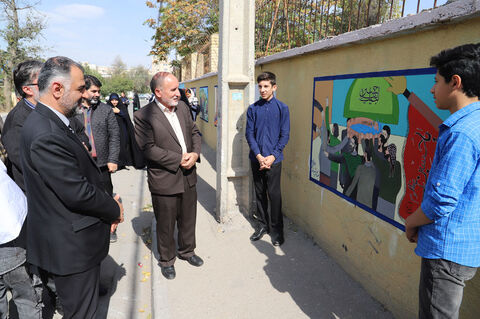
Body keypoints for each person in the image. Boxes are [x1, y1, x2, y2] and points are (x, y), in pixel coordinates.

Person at [20, 56, 124, 319]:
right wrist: (113, 208)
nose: (84, 96)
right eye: (79, 89)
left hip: (71, 242)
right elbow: (76, 191)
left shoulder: (50, 121)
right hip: (71, 248)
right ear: (57, 89)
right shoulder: (45, 132)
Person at [404, 43, 480, 319]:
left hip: (447, 251)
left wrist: (412, 221)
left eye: (437, 82)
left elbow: (442, 199)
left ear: (455, 82)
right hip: (465, 246)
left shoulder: (462, 133)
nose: (433, 89)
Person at [134, 72, 203, 280]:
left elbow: (194, 132)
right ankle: (167, 260)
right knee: (165, 223)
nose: (178, 93)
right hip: (164, 179)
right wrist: (179, 158)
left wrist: (195, 153)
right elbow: (148, 149)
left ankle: (187, 251)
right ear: (158, 92)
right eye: (173, 89)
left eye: (177, 88)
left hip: (188, 173)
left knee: (188, 218)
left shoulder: (182, 107)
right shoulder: (143, 116)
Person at [0, 60, 43, 319]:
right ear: (28, 89)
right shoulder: (17, 122)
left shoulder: (44, 112)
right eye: (43, 80)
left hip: (14, 225)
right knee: (27, 293)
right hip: (12, 232)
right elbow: (26, 168)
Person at [245, 71, 290, 246]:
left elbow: (284, 135)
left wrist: (272, 156)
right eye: (260, 87)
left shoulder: (282, 108)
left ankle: (277, 231)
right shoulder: (253, 109)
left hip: (274, 160)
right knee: (259, 193)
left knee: (274, 195)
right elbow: (250, 134)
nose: (263, 90)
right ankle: (263, 226)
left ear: (274, 87)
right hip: (256, 159)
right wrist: (258, 155)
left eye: (266, 86)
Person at [107, 92, 144, 169]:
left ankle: (123, 162)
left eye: (116, 100)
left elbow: (126, 117)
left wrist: (119, 112)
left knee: (123, 146)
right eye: (112, 100)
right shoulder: (107, 107)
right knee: (114, 147)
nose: (114, 102)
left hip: (123, 130)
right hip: (111, 131)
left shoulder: (121, 107)